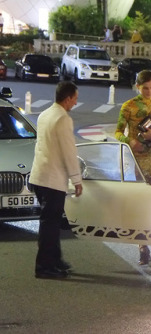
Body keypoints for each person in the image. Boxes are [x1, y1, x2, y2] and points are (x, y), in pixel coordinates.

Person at [115, 70, 151, 265]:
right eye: (145, 88)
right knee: (141, 200)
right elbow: (117, 132)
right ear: (137, 86)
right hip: (138, 158)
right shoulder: (128, 106)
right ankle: (142, 247)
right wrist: (130, 141)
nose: (149, 91)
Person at [30, 81, 83, 279]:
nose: (75, 103)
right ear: (68, 98)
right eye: (75, 99)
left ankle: (55, 259)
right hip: (52, 179)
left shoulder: (44, 115)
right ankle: (44, 266)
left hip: (39, 176)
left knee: (50, 222)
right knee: (50, 224)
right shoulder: (63, 119)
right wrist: (76, 179)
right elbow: (69, 152)